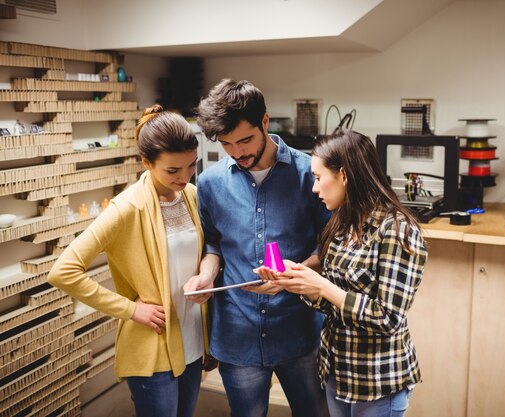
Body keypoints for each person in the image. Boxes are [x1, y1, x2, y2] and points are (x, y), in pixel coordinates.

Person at [48, 105, 212, 417]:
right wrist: (131, 309)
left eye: (191, 165)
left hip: (192, 340)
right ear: (146, 163)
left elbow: (200, 255)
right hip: (152, 348)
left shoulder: (190, 194)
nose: (185, 176)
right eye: (173, 170)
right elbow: (63, 271)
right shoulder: (126, 208)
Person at [183, 79, 330, 417]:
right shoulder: (208, 183)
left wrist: (294, 275)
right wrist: (206, 276)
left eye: (245, 139)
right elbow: (213, 245)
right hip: (237, 331)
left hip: (299, 328)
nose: (238, 152)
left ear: (265, 122)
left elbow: (330, 245)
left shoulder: (310, 173)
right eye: (227, 144)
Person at [257, 130, 428, 417]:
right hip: (337, 373)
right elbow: (332, 303)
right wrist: (298, 281)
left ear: (344, 176)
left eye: (318, 177)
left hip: (377, 381)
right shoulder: (340, 225)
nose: (314, 188)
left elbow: (386, 318)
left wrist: (322, 286)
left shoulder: (398, 231)